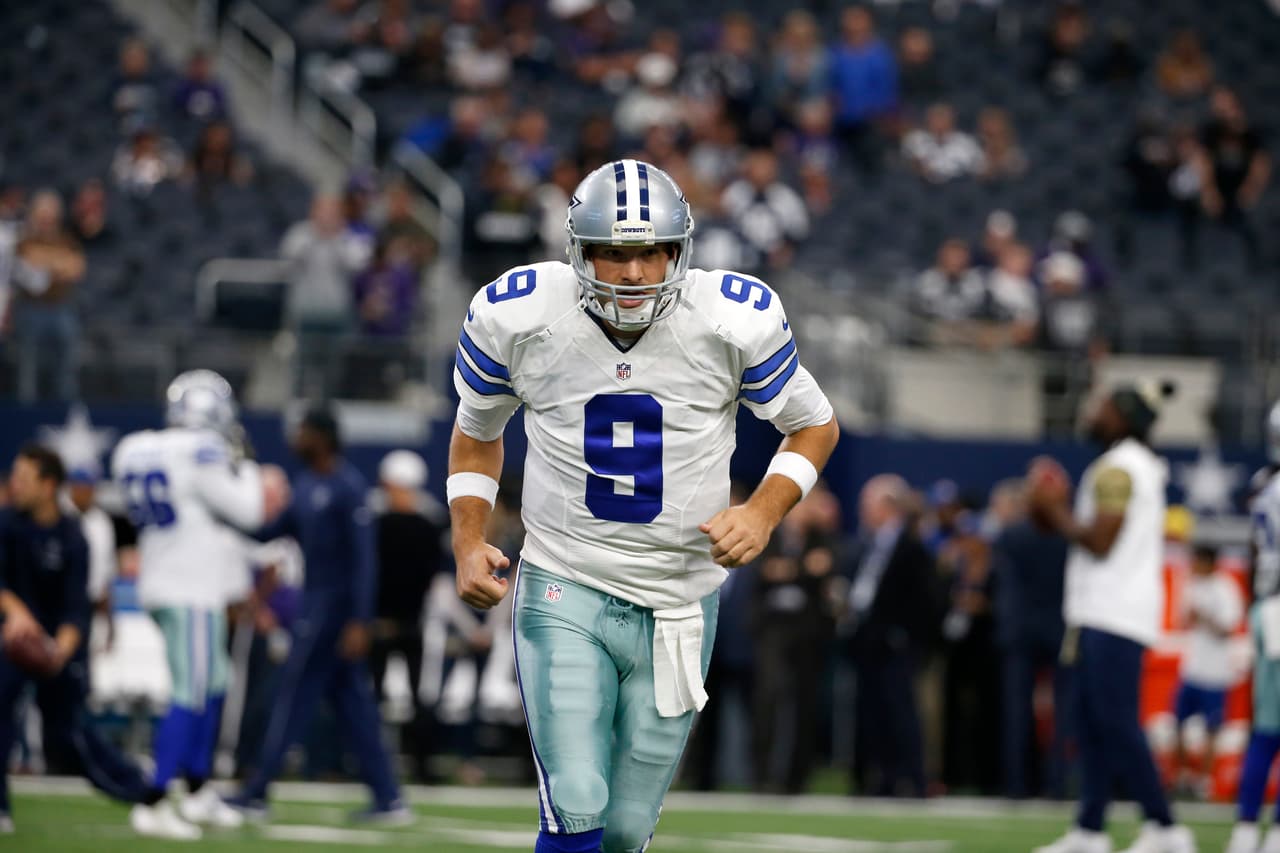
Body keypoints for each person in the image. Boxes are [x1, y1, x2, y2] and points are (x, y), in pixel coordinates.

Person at [447, 159, 839, 852]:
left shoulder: (728, 321)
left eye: (651, 251)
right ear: (579, 251)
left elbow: (815, 423)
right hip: (565, 578)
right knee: (575, 797)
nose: (632, 272)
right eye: (614, 252)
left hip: (681, 598)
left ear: (679, 250)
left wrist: (762, 512)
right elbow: (477, 434)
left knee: (626, 829)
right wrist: (467, 538)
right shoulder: (521, 316)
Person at [112, 371, 283, 837]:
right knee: (190, 692)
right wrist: (245, 467)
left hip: (165, 580)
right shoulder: (201, 450)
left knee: (213, 685)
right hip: (189, 589)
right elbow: (249, 510)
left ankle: (197, 788)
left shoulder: (133, 447)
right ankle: (153, 800)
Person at [1030, 383, 1196, 853]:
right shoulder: (1129, 465)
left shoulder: (1121, 468)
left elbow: (1101, 541)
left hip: (1113, 611)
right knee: (1090, 723)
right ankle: (1090, 829)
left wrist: (1052, 508)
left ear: (1122, 417)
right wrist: (1054, 512)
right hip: (1098, 610)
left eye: (1102, 406)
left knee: (1116, 721)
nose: (1092, 411)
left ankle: (1165, 827)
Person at [225, 407, 410, 824]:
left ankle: (256, 791)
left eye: (304, 430)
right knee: (354, 708)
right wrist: (220, 513)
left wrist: (360, 621)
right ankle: (389, 798)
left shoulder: (347, 487)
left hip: (333, 615)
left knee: (291, 699)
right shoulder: (307, 486)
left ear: (323, 437)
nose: (296, 438)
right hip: (318, 609)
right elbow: (268, 531)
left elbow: (365, 561)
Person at [0, 445, 154, 836]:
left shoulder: (74, 537)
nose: (13, 484)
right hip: (10, 639)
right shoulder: (7, 524)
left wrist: (59, 653)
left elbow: (75, 608)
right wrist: (17, 613)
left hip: (54, 646)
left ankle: (143, 791)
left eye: (23, 478)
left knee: (69, 736)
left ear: (48, 485)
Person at [843, 474, 938, 798]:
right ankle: (880, 778)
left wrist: (904, 635)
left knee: (901, 712)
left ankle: (913, 779)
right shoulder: (867, 544)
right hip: (867, 642)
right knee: (873, 714)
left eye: (868, 505)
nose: (862, 511)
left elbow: (924, 599)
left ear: (887, 507)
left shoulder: (911, 546)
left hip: (897, 644)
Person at [370, 449, 446, 783]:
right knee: (415, 697)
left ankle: (371, 764)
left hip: (388, 621)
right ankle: (420, 766)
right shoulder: (429, 524)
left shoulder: (375, 524)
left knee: (380, 697)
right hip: (410, 620)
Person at [1225, 402, 1280, 853]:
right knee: (1269, 730)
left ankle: (1246, 829)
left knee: (1267, 726)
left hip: (1269, 606)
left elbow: (1255, 555)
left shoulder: (1265, 484)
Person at [1172, 544, 1242, 796]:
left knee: (1212, 729)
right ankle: (1182, 776)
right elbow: (1182, 622)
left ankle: (1204, 781)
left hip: (1216, 674)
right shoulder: (1191, 586)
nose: (1194, 567)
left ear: (1210, 562)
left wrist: (1204, 618)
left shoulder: (1226, 589)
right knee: (1177, 722)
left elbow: (1228, 629)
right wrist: (1192, 618)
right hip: (1192, 669)